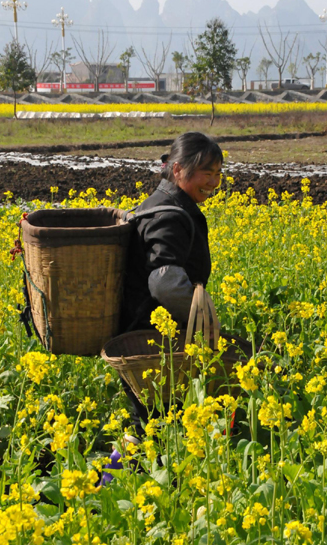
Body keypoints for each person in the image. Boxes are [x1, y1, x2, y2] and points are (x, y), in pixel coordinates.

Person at [118, 131, 223, 436]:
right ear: (177, 170)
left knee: (152, 424)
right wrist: (203, 321)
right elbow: (165, 283)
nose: (214, 182)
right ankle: (119, 479)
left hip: (147, 335)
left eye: (218, 174)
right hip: (153, 340)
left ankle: (120, 476)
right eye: (206, 173)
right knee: (157, 426)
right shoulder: (169, 216)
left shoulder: (162, 203)